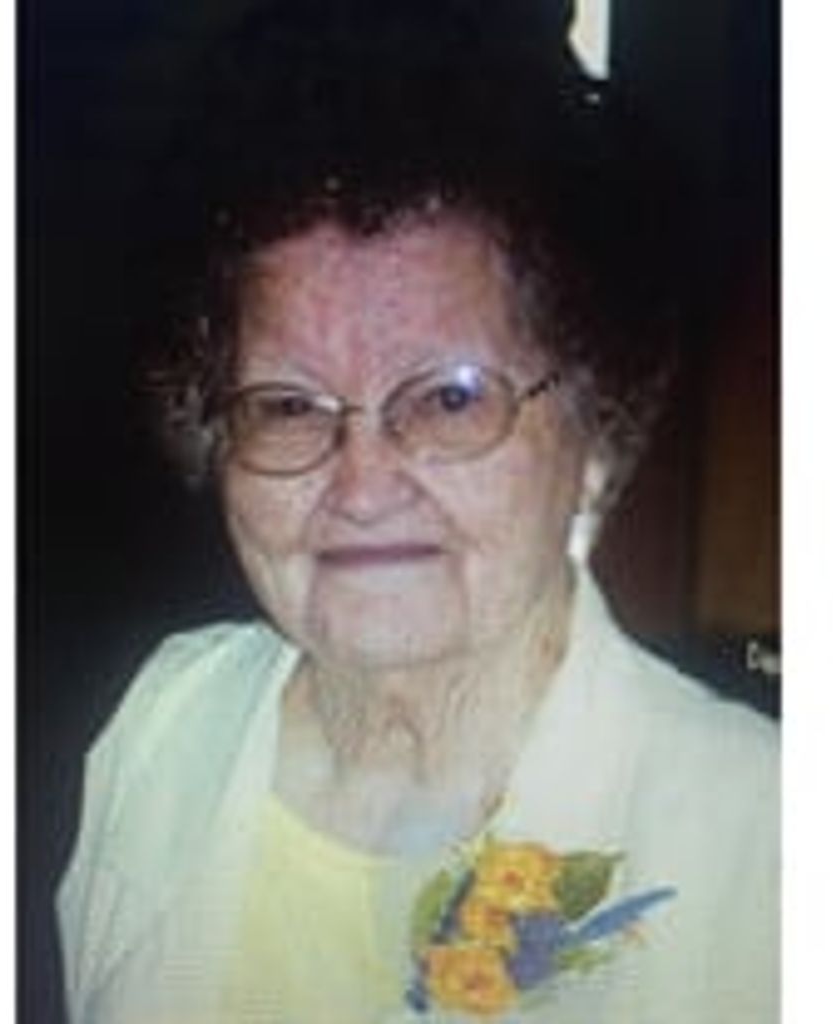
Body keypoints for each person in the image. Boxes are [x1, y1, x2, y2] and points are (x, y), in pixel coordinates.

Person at [56, 8, 778, 1022]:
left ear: (595, 432)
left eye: (447, 399)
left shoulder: (771, 841)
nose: (361, 486)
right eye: (288, 407)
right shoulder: (164, 721)